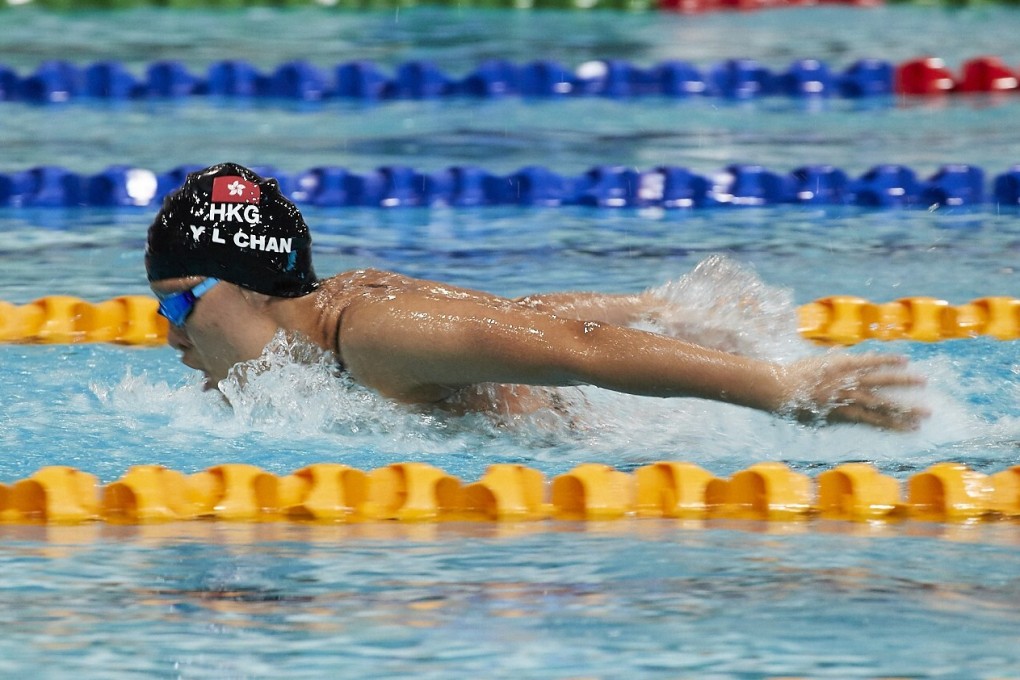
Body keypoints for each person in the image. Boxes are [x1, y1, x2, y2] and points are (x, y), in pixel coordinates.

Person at [146, 163, 929, 431]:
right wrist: (656, 309)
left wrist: (779, 388)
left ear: (248, 286)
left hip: (602, 446)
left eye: (179, 304)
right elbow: (506, 322)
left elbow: (577, 350)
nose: (170, 333)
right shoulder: (333, 324)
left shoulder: (374, 332)